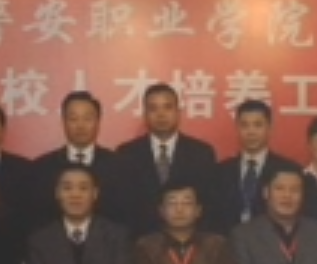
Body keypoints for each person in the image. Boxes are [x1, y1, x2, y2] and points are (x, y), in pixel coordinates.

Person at [125, 82, 219, 221]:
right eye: (153, 108)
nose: (161, 115)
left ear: (178, 112)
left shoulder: (201, 153)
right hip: (140, 232)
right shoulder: (127, 154)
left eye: (168, 107)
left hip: (190, 233)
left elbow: (209, 202)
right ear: (145, 114)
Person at [25, 90, 120, 222]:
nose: (80, 126)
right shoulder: (42, 167)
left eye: (87, 119)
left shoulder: (118, 165)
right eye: (73, 119)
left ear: (98, 122)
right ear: (63, 122)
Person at [211, 97, 295, 229]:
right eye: (244, 125)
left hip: (272, 240)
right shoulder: (220, 172)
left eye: (258, 125)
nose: (251, 132)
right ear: (237, 128)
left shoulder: (288, 170)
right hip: (228, 240)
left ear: (269, 128)